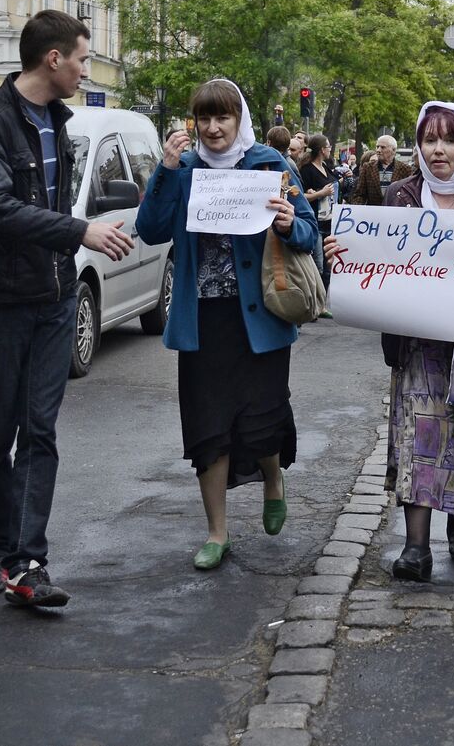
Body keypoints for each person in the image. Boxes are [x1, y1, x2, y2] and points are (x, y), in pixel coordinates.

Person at [0, 10, 135, 607]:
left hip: (55, 298)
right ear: (53, 59)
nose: (87, 71)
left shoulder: (62, 121)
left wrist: (73, 240)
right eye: (82, 59)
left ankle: (28, 563)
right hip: (0, 303)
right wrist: (76, 232)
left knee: (39, 430)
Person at [330, 101, 454, 583]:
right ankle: (415, 547)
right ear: (418, 145)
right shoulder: (400, 196)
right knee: (419, 437)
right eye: (429, 140)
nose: (438, 150)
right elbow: (371, 257)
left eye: (449, 140)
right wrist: (341, 253)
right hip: (418, 344)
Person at [134, 78, 318, 570]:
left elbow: (309, 233)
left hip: (259, 320)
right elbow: (150, 230)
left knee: (260, 420)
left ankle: (273, 481)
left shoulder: (268, 164)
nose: (214, 128)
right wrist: (166, 169)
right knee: (208, 428)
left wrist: (286, 224)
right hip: (202, 321)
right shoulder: (185, 168)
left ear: (240, 120)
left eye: (224, 118)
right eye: (205, 119)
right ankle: (217, 532)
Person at [299, 133, 337, 302]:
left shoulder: (326, 167)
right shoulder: (306, 170)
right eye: (328, 147)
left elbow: (333, 184)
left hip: (330, 221)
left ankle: (321, 303)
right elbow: (299, 196)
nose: (330, 149)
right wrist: (320, 193)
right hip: (315, 222)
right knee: (318, 265)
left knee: (329, 265)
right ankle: (313, 301)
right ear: (322, 150)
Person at [352, 134, 414, 205]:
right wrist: (359, 209)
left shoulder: (405, 169)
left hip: (395, 213)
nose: (378, 150)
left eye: (382, 147)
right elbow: (359, 195)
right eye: (377, 147)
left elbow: (409, 196)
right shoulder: (367, 168)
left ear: (393, 150)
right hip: (372, 213)